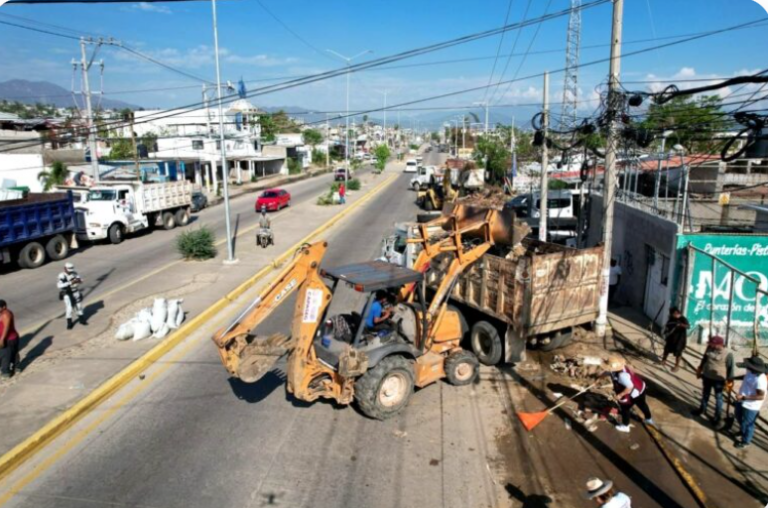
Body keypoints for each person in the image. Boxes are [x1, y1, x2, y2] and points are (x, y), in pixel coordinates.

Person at [604, 355, 654, 433]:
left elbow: (630, 387)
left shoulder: (622, 376)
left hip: (634, 392)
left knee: (625, 409)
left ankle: (625, 426)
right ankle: (649, 419)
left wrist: (619, 395)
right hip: (640, 386)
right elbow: (630, 372)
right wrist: (601, 376)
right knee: (642, 404)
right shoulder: (623, 367)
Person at [692, 335, 734, 427]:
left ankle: (717, 417)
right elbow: (704, 359)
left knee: (718, 398)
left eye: (713, 344)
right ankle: (702, 409)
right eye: (710, 344)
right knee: (705, 394)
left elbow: (730, 369)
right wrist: (700, 369)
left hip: (718, 380)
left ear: (719, 344)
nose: (711, 345)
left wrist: (730, 382)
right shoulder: (709, 348)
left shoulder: (728, 354)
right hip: (707, 376)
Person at [734, 355, 767, 449]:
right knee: (738, 416)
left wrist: (744, 397)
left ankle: (745, 441)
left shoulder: (760, 380)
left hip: (751, 405)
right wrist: (733, 378)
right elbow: (745, 376)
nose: (747, 366)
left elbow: (760, 396)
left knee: (748, 424)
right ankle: (742, 431)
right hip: (742, 399)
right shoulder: (750, 371)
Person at [58, 262, 85, 330]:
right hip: (68, 294)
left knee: (79, 306)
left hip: (76, 292)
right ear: (65, 268)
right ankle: (69, 323)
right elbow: (59, 285)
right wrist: (70, 282)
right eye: (69, 270)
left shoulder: (74, 273)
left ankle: (82, 320)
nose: (70, 271)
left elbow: (80, 280)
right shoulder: (62, 276)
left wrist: (79, 281)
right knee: (69, 309)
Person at [662, 307, 689, 372]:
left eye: (677, 313)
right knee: (666, 349)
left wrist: (681, 325)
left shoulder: (683, 319)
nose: (676, 314)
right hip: (671, 338)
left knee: (678, 352)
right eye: (674, 313)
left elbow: (688, 326)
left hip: (680, 339)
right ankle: (664, 360)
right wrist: (665, 332)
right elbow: (667, 326)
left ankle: (677, 366)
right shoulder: (671, 319)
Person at [0, 300, 20, 378]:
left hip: (8, 339)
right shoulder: (2, 313)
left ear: (4, 307)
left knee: (5, 355)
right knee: (13, 353)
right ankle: (17, 367)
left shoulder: (6, 314)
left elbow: (6, 328)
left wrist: (2, 339)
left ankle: (6, 372)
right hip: (12, 338)